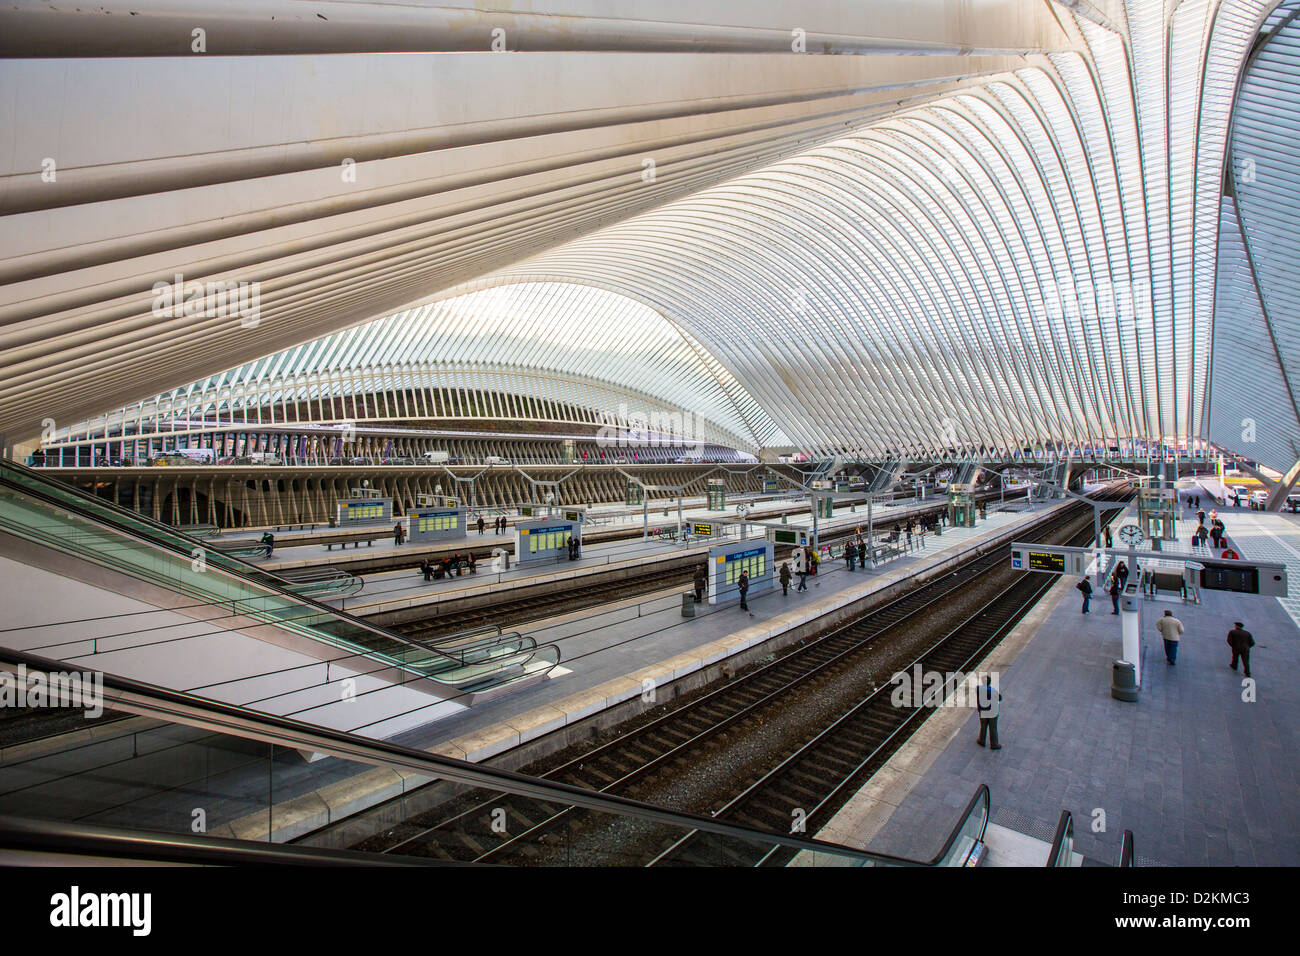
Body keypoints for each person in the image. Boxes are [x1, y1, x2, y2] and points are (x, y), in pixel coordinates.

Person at [975, 675, 1002, 750]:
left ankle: (981, 740)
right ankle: (994, 744)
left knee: (983, 726)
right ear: (990, 682)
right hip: (992, 712)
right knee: (993, 728)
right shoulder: (993, 691)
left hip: (983, 711)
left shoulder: (978, 689)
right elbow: (1000, 698)